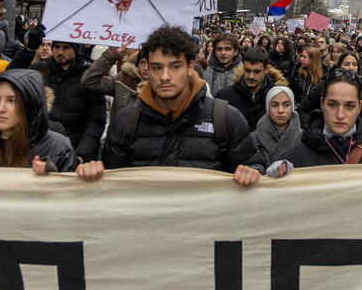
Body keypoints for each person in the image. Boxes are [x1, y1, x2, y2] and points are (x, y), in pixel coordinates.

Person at [96, 25, 264, 186]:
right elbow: (111, 183)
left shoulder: (226, 118)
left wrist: (252, 171)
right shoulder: (126, 121)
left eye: (175, 67)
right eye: (156, 68)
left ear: (190, 67)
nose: (165, 76)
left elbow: (253, 164)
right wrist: (92, 175)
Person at [270, 69, 362, 173]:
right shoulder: (297, 156)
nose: (340, 114)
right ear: (322, 104)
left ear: (359, 107)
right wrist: (277, 181)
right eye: (333, 104)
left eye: (349, 106)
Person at [5, 29, 105, 163]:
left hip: (75, 148)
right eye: (57, 47)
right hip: (41, 149)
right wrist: (29, 50)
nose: (60, 52)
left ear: (76, 50)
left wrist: (81, 156)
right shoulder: (39, 70)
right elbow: (11, 77)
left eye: (66, 47)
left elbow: (95, 122)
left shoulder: (87, 77)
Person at [0, 69, 78, 173]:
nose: (0, 109)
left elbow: (71, 193)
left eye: (11, 100)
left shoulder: (58, 148)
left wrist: (51, 179)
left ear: (30, 104)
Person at [215, 47, 289, 129]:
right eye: (247, 71)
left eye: (257, 72)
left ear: (266, 69)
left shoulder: (278, 96)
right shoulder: (224, 96)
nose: (251, 76)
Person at [252, 85, 301, 166]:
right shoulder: (253, 139)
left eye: (286, 105)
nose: (280, 110)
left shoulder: (304, 139)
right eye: (275, 105)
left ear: (292, 107)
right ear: (268, 108)